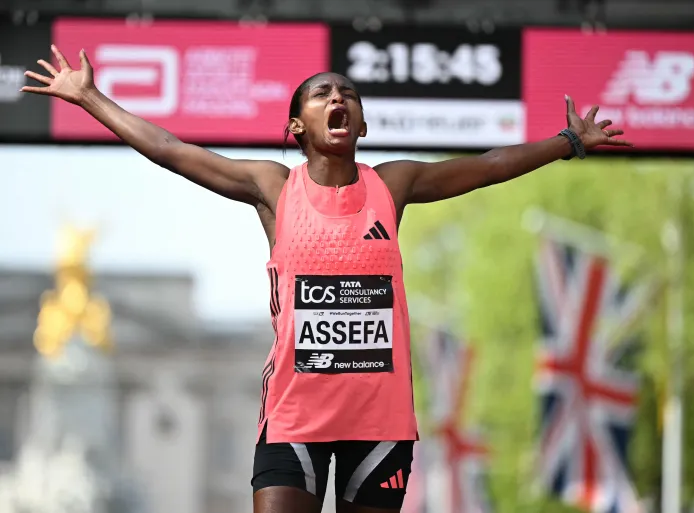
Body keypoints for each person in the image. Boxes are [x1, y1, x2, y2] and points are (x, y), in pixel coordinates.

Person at [22, 45, 632, 513]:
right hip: (294, 423)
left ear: (361, 125)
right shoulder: (272, 188)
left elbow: (487, 167)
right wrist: (91, 99)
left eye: (348, 94)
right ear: (297, 128)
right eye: (321, 94)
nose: (337, 98)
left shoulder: (392, 186)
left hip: (380, 425)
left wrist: (568, 142)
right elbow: (171, 150)